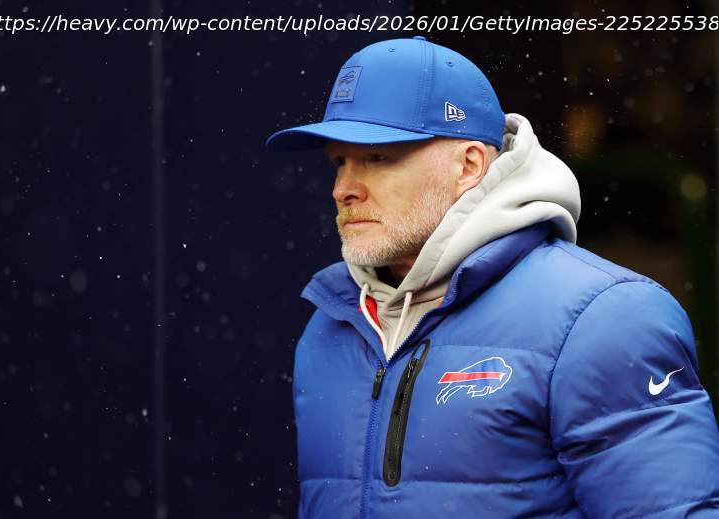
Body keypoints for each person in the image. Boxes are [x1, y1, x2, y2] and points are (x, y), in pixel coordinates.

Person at [265, 36, 719, 518]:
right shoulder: (332, 324)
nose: (344, 189)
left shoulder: (604, 318)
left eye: (377, 158)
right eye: (339, 161)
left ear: (469, 165)